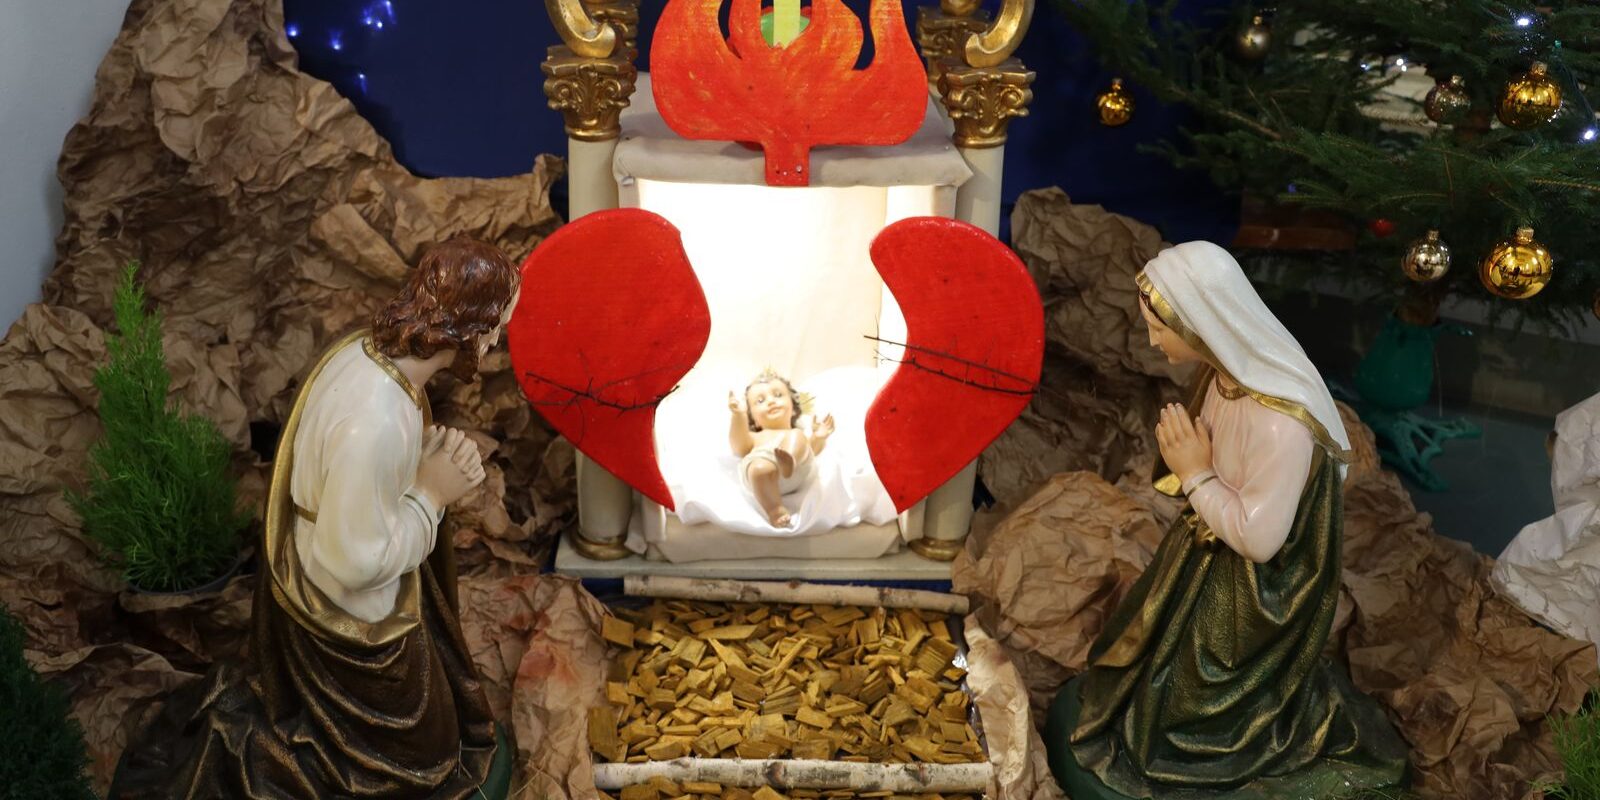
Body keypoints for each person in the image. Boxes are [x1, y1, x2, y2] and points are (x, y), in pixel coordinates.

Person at [112, 236, 520, 799]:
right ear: (468, 329)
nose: (498, 340)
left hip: (346, 556)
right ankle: (273, 754)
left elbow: (360, 489)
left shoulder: (367, 351)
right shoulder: (375, 421)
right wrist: (430, 493)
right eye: (496, 326)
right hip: (348, 608)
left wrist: (420, 466)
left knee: (444, 708)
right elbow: (353, 562)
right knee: (422, 759)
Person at [1043, 242, 1408, 799]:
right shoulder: (1221, 378)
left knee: (1185, 713)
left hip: (1261, 590)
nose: (1152, 342)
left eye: (1159, 330)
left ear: (1202, 324)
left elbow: (1261, 542)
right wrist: (1196, 472)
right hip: (1210, 547)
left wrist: (1194, 474)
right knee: (1133, 652)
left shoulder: (1281, 423)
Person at [727, 369, 834, 527]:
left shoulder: (796, 435)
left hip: (794, 472)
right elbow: (739, 445)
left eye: (778, 395)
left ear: (793, 408)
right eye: (760, 401)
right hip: (761, 478)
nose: (771, 401)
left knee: (796, 435)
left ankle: (789, 460)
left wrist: (818, 436)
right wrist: (738, 416)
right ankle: (775, 510)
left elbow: (811, 450)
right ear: (753, 418)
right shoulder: (756, 437)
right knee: (759, 467)